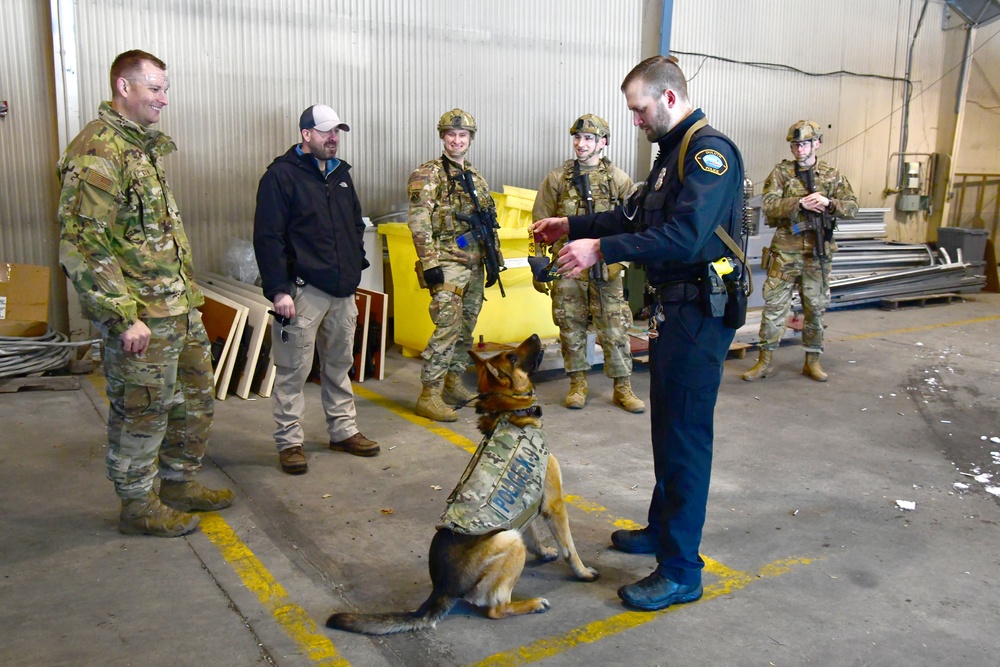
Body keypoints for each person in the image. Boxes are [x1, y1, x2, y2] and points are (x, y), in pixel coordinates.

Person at [533, 55, 745, 611]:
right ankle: (661, 528)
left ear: (669, 99)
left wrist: (601, 250)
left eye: (639, 109)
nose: (635, 120)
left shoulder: (709, 154)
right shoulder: (668, 157)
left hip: (700, 311)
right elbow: (634, 218)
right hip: (674, 311)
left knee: (685, 436)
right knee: (666, 427)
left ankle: (681, 570)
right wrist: (573, 227)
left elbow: (685, 237)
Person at [58, 50, 233, 537]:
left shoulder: (142, 148)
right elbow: (83, 244)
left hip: (177, 307)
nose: (163, 98)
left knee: (193, 400)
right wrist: (120, 316)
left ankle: (178, 483)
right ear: (124, 86)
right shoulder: (98, 152)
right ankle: (137, 505)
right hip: (141, 316)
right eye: (155, 88)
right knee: (143, 410)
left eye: (164, 88)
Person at [253, 104, 379, 475]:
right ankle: (290, 442)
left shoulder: (341, 175)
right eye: (325, 132)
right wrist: (279, 290)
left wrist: (355, 267)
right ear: (306, 134)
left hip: (342, 291)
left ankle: (343, 431)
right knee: (292, 369)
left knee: (340, 365)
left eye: (337, 131)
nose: (333, 138)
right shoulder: (281, 177)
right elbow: (267, 237)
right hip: (303, 292)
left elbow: (355, 224)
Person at [532, 114, 644, 413]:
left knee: (615, 328)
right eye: (578, 138)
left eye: (590, 139)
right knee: (571, 326)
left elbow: (634, 225)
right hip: (568, 267)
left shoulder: (619, 180)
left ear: (603, 142)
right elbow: (539, 225)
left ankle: (623, 387)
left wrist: (619, 264)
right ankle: (577, 384)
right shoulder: (557, 179)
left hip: (607, 266)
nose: (582, 144)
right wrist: (540, 265)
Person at [742, 120, 858, 383]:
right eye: (795, 144)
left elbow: (852, 207)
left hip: (817, 254)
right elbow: (769, 206)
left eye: (804, 143)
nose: (798, 149)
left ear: (816, 144)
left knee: (815, 309)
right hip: (785, 252)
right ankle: (765, 361)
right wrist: (799, 202)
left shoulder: (832, 176)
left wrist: (828, 203)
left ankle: (812, 361)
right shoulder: (781, 174)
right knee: (774, 308)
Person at [408, 109, 503, 422]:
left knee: (466, 327)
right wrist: (430, 264)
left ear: (470, 139)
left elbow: (490, 222)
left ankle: (452, 381)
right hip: (446, 263)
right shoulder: (428, 174)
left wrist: (493, 260)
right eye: (451, 134)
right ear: (442, 137)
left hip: (474, 263)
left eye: (463, 135)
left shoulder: (476, 178)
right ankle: (429, 393)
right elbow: (419, 220)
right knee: (447, 327)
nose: (457, 140)